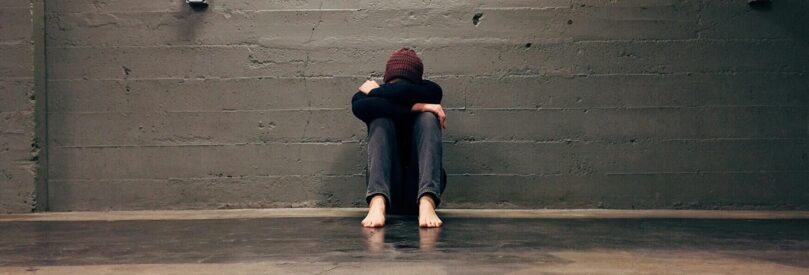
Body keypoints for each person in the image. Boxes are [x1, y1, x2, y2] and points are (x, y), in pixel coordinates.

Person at [350, 48, 447, 228]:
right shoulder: (418, 98)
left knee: (427, 118)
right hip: (388, 190)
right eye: (393, 83)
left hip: (418, 186)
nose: (398, 86)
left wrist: (377, 91)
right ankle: (377, 201)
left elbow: (407, 92)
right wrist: (417, 106)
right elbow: (359, 106)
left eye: (404, 83)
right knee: (380, 119)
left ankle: (427, 201)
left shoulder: (430, 90)